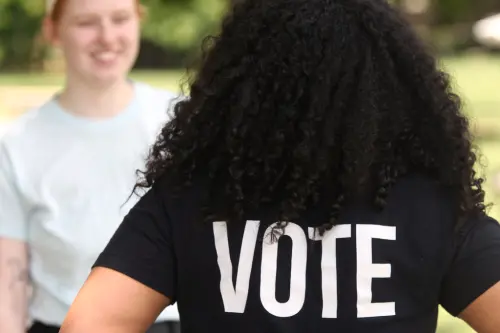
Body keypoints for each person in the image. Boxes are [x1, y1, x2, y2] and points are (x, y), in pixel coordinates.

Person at [60, 0, 500, 332]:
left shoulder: (190, 199)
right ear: (390, 85)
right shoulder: (429, 205)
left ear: (241, 83)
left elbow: (91, 324)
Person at [0, 0, 181, 332]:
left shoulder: (182, 122)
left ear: (139, 21)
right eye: (86, 23)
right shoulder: (16, 146)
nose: (107, 37)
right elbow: (6, 291)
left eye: (120, 19)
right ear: (52, 31)